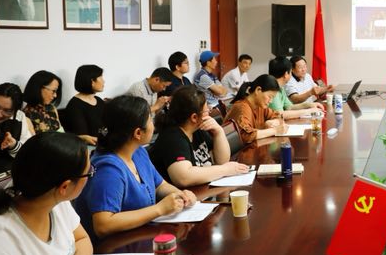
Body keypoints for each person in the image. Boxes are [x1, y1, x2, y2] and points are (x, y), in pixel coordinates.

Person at [75, 96, 197, 240]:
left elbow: (159, 185)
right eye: (150, 120)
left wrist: (180, 195)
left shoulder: (138, 152)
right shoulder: (108, 169)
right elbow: (103, 225)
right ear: (138, 133)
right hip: (114, 246)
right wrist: (159, 209)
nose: (153, 124)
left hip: (141, 236)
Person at [148, 86, 249, 186]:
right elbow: (183, 178)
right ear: (194, 117)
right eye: (206, 109)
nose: (209, 110)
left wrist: (219, 132)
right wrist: (225, 170)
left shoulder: (197, 129)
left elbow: (222, 161)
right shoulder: (173, 138)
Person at [0, 84, 34, 173]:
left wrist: (14, 145)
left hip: (13, 174)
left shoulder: (19, 117)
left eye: (7, 111)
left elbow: (28, 154)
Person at [224, 75, 287, 144]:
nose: (271, 101)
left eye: (272, 98)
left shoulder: (260, 106)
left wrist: (272, 122)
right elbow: (246, 136)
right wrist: (274, 130)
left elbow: (277, 115)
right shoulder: (242, 107)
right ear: (258, 90)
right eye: (270, 96)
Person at [62, 65, 106, 146]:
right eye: (101, 77)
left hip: (103, 143)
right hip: (87, 147)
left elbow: (105, 127)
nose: (104, 81)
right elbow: (83, 136)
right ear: (92, 81)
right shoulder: (75, 105)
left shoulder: (99, 101)